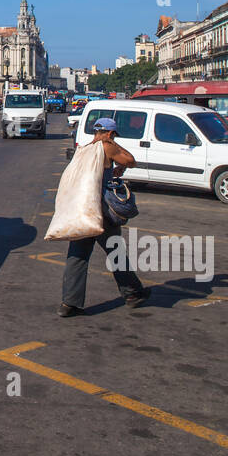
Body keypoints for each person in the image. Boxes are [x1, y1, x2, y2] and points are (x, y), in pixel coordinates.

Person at [59, 118, 151, 316]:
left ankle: (69, 303)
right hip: (101, 211)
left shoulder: (84, 148)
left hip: (82, 210)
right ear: (110, 134)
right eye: (114, 135)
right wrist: (113, 145)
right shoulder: (106, 147)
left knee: (77, 256)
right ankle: (132, 294)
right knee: (116, 252)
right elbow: (130, 160)